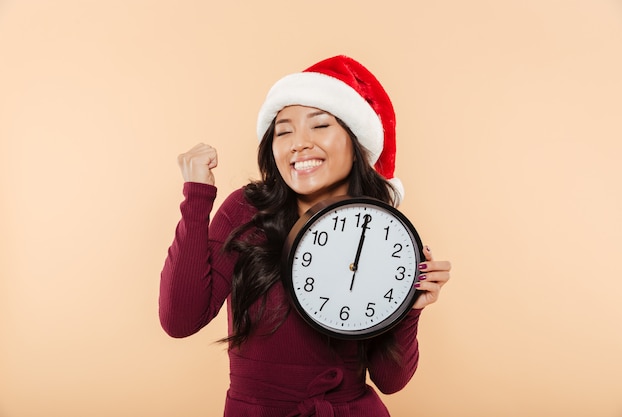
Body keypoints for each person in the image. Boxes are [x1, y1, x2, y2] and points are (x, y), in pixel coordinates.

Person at [159, 55, 451, 416]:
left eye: (319, 126)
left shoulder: (382, 233)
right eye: (283, 131)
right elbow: (180, 320)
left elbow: (391, 380)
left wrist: (409, 309)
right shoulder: (246, 211)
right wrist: (196, 197)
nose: (299, 143)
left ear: (354, 140)